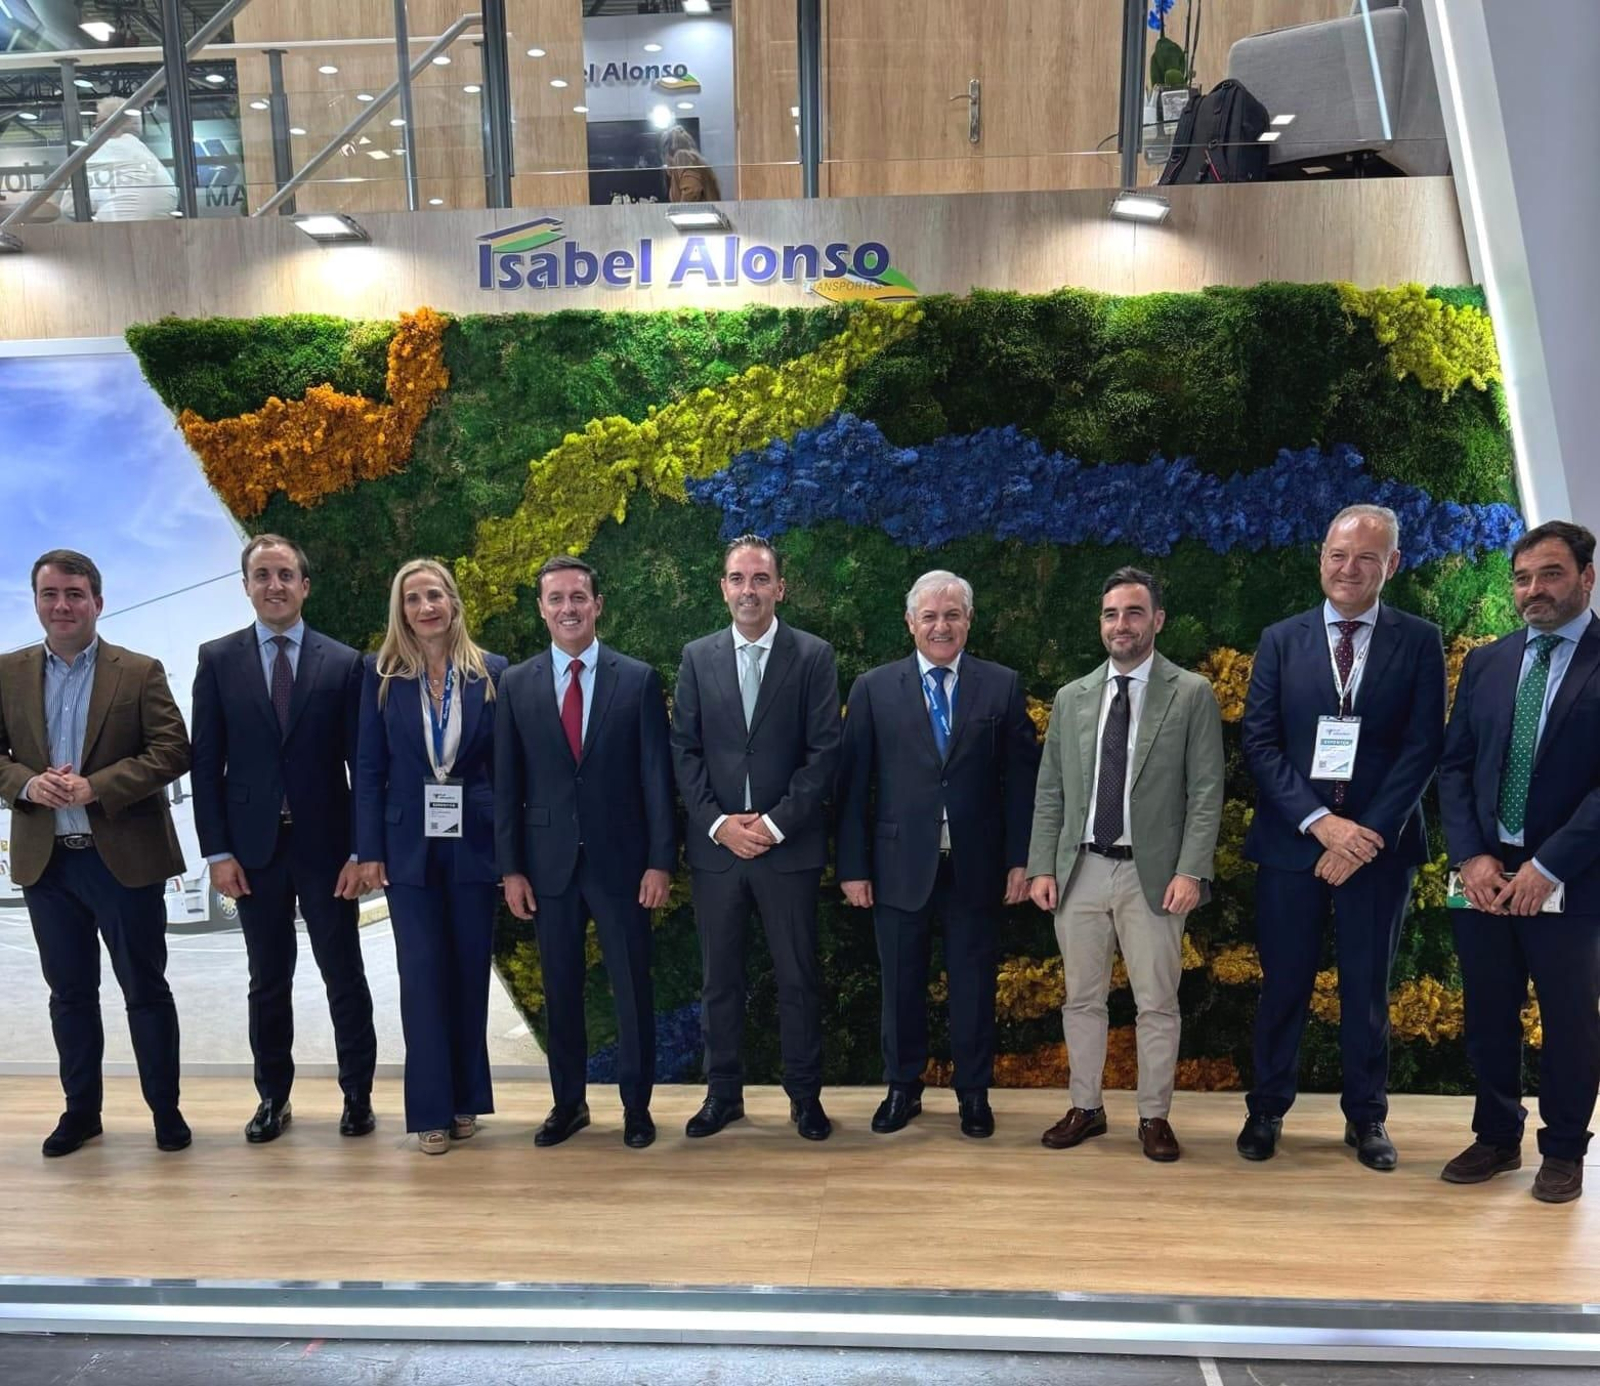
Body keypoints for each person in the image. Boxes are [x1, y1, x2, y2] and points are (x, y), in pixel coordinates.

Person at [1238, 504, 1445, 1170]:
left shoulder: (1419, 640)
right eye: (1337, 554)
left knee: (1366, 988)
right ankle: (1266, 1110)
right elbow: (1261, 744)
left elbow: (1422, 748)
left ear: (1393, 565)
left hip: (1378, 853)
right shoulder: (1280, 639)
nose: (1348, 569)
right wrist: (1320, 824)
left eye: (1365, 557)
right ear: (1320, 557)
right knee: (1285, 985)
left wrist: (1364, 836)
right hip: (1293, 845)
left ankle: (1367, 1119)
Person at [1027, 567, 1224, 1161]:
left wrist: (1192, 871)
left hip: (1156, 875)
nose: (1122, 624)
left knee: (1157, 1002)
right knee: (1081, 999)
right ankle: (1086, 1107)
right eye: (1112, 614)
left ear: (1157, 620)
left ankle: (1153, 1116)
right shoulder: (1072, 697)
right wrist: (1042, 867)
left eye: (1134, 613)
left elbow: (1207, 790)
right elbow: (1052, 793)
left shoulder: (1190, 693)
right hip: (1080, 870)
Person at [0, 550, 190, 1156]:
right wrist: (28, 784)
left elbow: (172, 750)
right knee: (70, 995)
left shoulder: (138, 671)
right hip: (46, 864)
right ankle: (81, 1112)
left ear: (97, 602)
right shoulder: (6, 673)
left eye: (75, 594)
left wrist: (96, 786)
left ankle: (166, 1112)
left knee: (145, 990)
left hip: (126, 862)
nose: (62, 605)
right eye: (50, 593)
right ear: (35, 601)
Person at [836, 570, 1038, 1138]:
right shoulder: (873, 688)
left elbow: (1022, 783)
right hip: (897, 868)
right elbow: (853, 787)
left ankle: (973, 1095)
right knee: (900, 986)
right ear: (910, 623)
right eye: (930, 616)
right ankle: (903, 1089)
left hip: (978, 868)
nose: (941, 626)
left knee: (974, 986)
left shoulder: (1000, 686)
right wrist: (852, 867)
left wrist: (1022, 859)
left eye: (952, 615)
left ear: (969, 621)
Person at [191, 535, 376, 1144]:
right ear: (246, 586)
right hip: (251, 854)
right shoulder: (217, 659)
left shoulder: (345, 662)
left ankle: (358, 1096)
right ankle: (273, 1097)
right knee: (267, 980)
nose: (275, 585)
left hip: (327, 853)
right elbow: (206, 763)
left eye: (286, 574)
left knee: (343, 975)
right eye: (262, 575)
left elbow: (362, 765)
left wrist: (360, 849)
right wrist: (217, 854)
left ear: (305, 585)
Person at [1438, 520, 1600, 1204]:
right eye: (1524, 577)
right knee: (1488, 1011)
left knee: (1568, 1018)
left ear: (1587, 578)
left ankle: (1564, 1150)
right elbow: (1456, 765)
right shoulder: (1488, 661)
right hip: (1484, 875)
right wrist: (1472, 855)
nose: (1534, 589)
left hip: (1571, 876)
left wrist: (1550, 865)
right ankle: (1496, 1135)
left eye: (1552, 574)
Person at [495, 557, 676, 1150]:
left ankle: (637, 1107)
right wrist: (512, 868)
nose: (568, 608)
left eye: (579, 597)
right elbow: (507, 783)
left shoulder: (639, 679)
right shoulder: (516, 684)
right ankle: (568, 1103)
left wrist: (660, 860)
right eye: (556, 598)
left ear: (598, 605)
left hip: (623, 864)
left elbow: (656, 778)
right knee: (561, 989)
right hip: (547, 867)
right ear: (541, 608)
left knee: (631, 989)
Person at [671, 534, 841, 1141]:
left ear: (779, 588)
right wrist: (719, 824)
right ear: (723, 588)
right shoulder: (697, 656)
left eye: (760, 579)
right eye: (738, 579)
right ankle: (723, 1096)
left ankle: (804, 1098)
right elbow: (684, 750)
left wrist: (770, 825)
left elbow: (824, 754)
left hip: (786, 848)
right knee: (720, 979)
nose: (749, 590)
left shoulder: (814, 656)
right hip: (718, 851)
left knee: (797, 977)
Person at [356, 560, 506, 1155]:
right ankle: (430, 1111)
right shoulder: (380, 676)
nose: (426, 607)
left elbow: (505, 768)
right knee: (421, 978)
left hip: (476, 843)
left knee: (469, 975)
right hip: (406, 849)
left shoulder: (492, 673)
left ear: (453, 602)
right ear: (402, 610)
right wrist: (368, 851)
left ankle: (467, 1099)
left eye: (435, 595)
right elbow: (368, 769)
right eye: (413, 598)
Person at [58, 98, 178, 222]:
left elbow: (69, 207)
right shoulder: (145, 154)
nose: (95, 131)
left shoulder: (104, 150)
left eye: (97, 125)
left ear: (110, 124)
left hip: (116, 234)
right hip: (160, 234)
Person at [662, 124, 723, 203]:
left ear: (667, 151)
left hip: (695, 214)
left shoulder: (682, 156)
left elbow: (692, 189)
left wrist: (680, 212)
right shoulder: (695, 159)